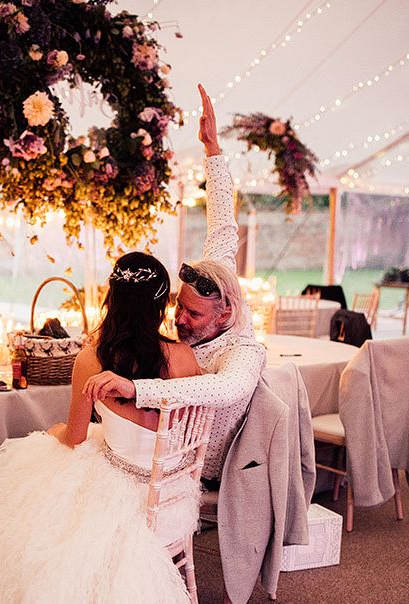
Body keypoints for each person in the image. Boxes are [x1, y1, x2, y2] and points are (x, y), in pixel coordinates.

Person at [0, 252, 201, 603]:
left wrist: (55, 432)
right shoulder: (185, 358)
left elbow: (75, 439)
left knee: (34, 496)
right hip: (173, 489)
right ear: (161, 304)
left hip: (128, 494)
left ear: (111, 300)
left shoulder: (92, 358)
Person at [83, 84, 267, 485]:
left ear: (226, 313)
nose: (179, 319)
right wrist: (212, 150)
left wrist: (135, 389)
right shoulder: (213, 277)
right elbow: (222, 221)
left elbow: (223, 389)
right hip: (159, 442)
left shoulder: (244, 350)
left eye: (193, 314)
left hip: (207, 466)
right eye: (178, 306)